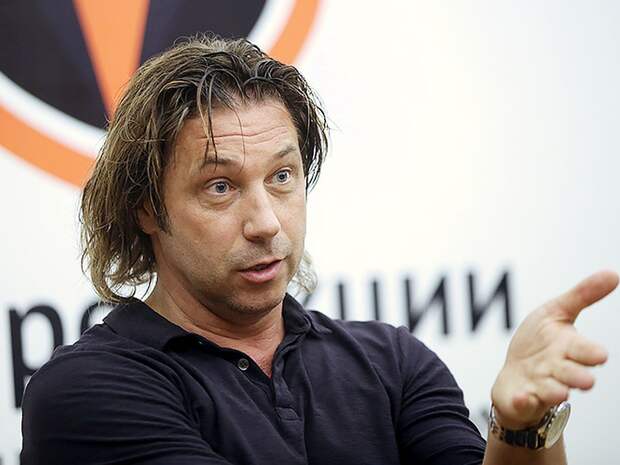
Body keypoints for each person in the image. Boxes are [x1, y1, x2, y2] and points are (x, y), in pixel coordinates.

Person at [20, 34, 617, 465]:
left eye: (282, 177)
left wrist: (521, 429)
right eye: (220, 186)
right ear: (146, 207)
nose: (265, 223)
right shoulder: (85, 390)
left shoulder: (393, 363)